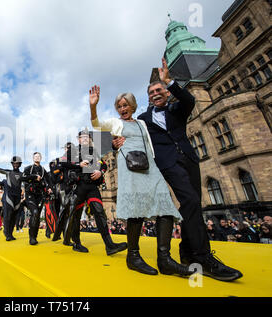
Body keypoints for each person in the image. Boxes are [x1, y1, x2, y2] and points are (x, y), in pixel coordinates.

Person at [113, 58, 242, 281]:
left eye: (159, 89)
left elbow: (189, 99)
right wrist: (117, 142)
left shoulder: (177, 109)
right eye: (152, 91)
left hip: (190, 160)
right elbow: (125, 131)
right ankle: (202, 258)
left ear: (166, 92)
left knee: (194, 205)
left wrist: (169, 81)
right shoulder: (142, 119)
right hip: (166, 164)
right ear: (148, 97)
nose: (156, 93)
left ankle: (187, 252)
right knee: (190, 202)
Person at [90, 85, 190, 276]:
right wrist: (93, 107)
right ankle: (133, 257)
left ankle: (165, 259)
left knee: (166, 205)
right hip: (130, 166)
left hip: (150, 166)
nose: (122, 109)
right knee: (136, 209)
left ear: (133, 106)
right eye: (119, 106)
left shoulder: (142, 122)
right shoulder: (115, 123)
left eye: (125, 105)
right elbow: (97, 126)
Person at [59, 129, 128, 256]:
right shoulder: (72, 150)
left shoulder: (94, 151)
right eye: (82, 137)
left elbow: (103, 164)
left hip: (92, 186)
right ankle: (76, 243)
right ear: (78, 139)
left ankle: (110, 245)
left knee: (100, 212)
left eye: (87, 137)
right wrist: (78, 164)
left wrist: (100, 172)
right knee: (76, 215)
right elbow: (62, 162)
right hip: (78, 186)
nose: (85, 139)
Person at [22, 152, 54, 245]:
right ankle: (31, 237)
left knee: (37, 216)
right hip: (30, 194)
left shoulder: (43, 170)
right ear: (33, 158)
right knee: (35, 212)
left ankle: (34, 237)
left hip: (40, 195)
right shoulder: (28, 168)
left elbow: (49, 181)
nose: (37, 157)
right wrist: (34, 177)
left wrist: (49, 188)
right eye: (35, 156)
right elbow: (21, 178)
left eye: (39, 156)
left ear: (41, 158)